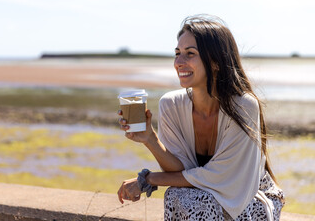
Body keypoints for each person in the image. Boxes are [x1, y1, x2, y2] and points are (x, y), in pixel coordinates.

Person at [117, 15, 284, 221]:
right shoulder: (170, 104)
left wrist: (148, 179)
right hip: (203, 196)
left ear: (215, 61)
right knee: (180, 195)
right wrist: (150, 139)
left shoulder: (244, 106)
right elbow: (182, 172)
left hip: (248, 197)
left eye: (190, 54)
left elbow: (221, 177)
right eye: (177, 53)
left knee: (192, 199)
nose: (178, 62)